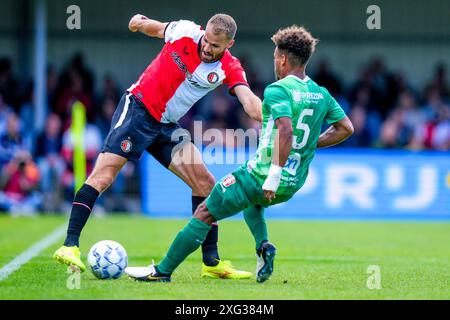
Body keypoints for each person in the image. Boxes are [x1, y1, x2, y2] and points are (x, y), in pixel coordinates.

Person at [125, 25, 354, 283]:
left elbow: (286, 130)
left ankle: (162, 272)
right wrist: (308, 144)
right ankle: (263, 246)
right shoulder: (321, 94)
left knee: (204, 212)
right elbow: (346, 128)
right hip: (293, 183)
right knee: (253, 203)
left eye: (275, 58)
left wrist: (273, 175)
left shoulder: (278, 89)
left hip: (261, 176)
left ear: (282, 59)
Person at [53, 13, 262, 279]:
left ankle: (211, 262)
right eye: (207, 40)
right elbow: (156, 29)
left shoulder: (230, 68)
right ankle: (69, 246)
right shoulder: (186, 31)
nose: (207, 48)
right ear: (203, 31)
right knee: (104, 175)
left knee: (205, 183)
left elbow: (249, 101)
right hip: (138, 110)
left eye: (215, 45)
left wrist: (274, 120)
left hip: (166, 126)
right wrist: (138, 23)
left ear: (229, 44)